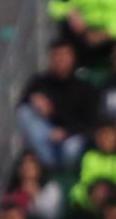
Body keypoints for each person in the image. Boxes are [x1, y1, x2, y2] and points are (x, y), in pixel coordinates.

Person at [15, 40, 99, 171]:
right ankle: (48, 165)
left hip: (72, 136)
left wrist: (66, 131)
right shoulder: (40, 81)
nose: (59, 60)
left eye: (63, 55)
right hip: (47, 136)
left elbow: (91, 121)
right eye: (55, 55)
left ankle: (63, 172)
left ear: (73, 57)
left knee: (73, 146)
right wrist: (33, 100)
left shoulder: (84, 87)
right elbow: (21, 106)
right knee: (25, 112)